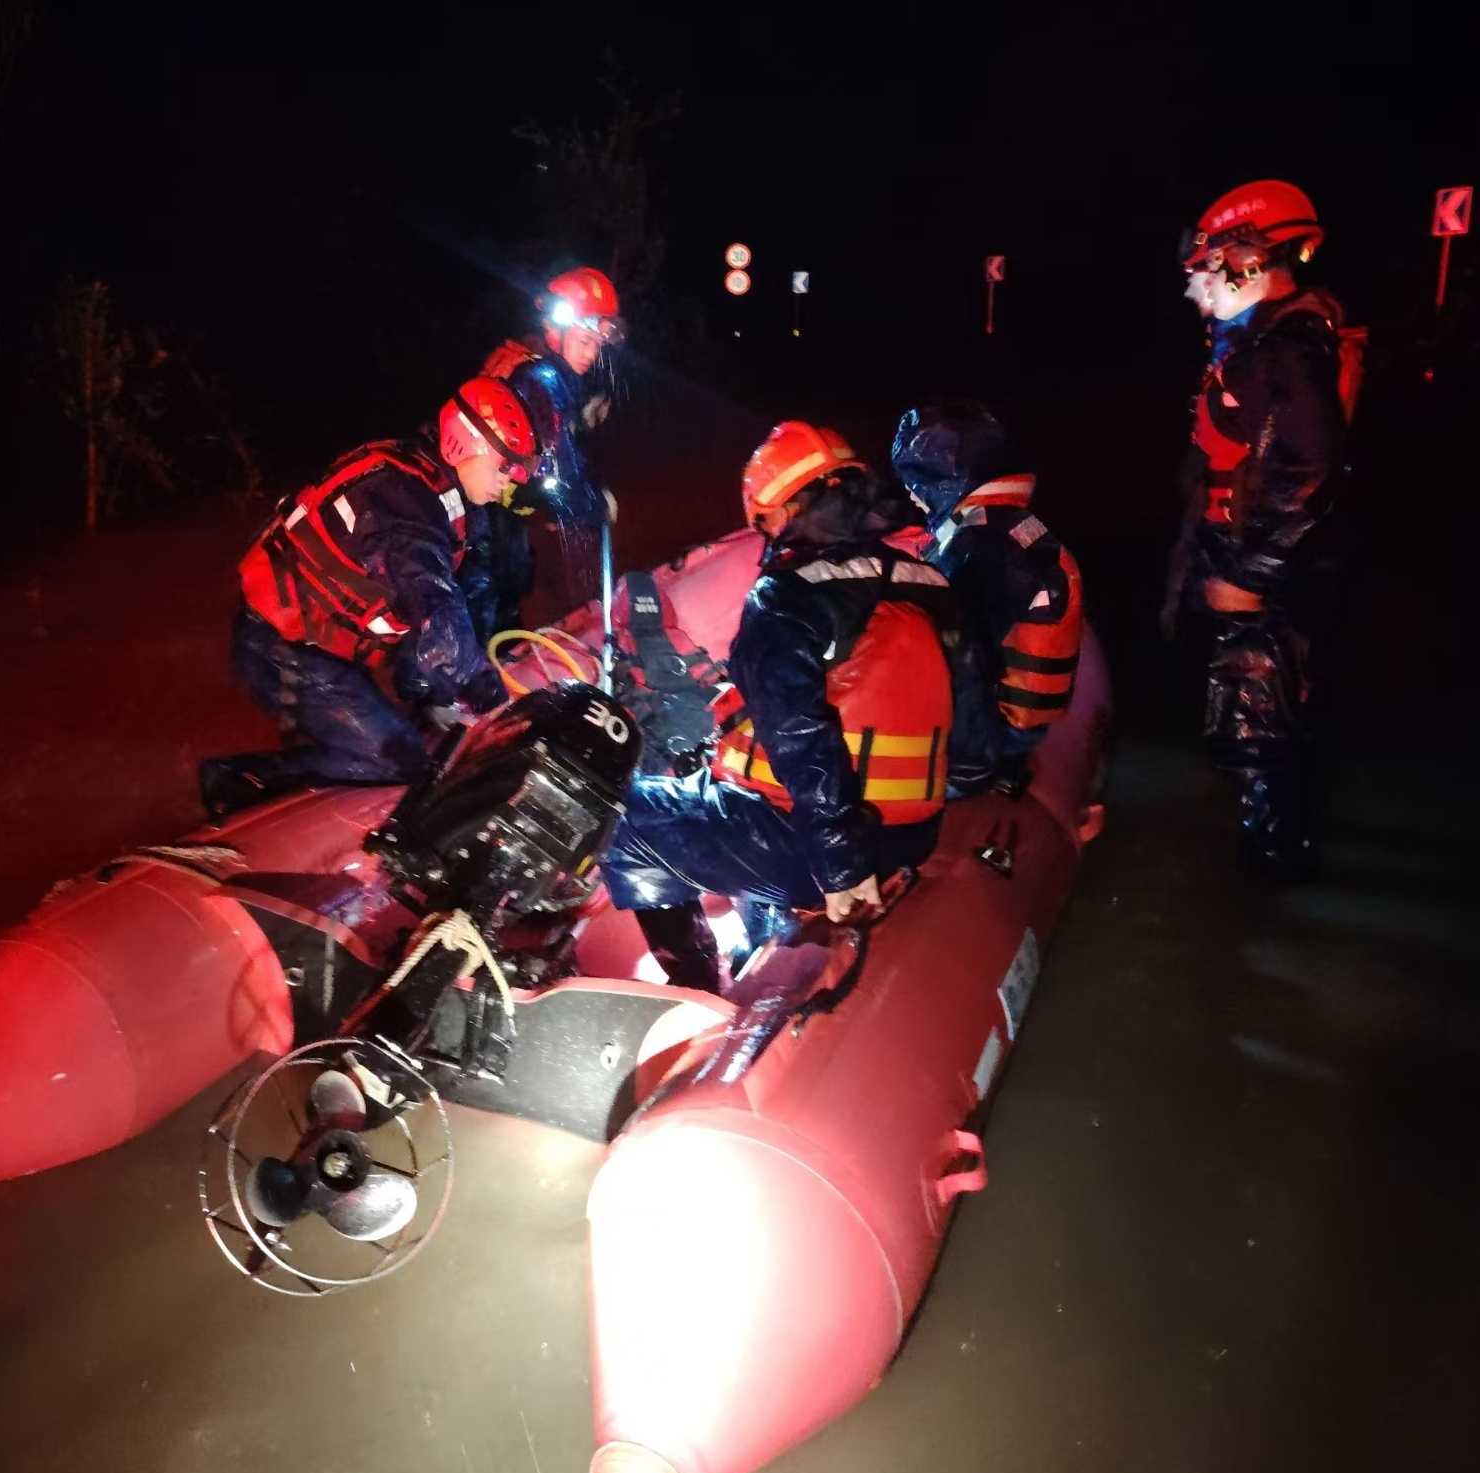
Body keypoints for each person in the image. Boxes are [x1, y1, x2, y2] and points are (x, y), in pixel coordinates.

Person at [599, 421, 955, 993]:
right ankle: (769, 925)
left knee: (619, 816)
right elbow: (968, 732)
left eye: (764, 522)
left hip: (826, 848)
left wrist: (841, 860)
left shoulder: (788, 593)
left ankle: (696, 984)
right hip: (913, 835)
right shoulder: (930, 582)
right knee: (725, 789)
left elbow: (797, 729)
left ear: (785, 509)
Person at [198, 376, 540, 819]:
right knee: (401, 762)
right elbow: (436, 606)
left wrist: (432, 685)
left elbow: (431, 607)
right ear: (464, 446)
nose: (508, 481)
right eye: (503, 467)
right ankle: (235, 784)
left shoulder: (435, 486)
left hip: (318, 644)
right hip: (279, 650)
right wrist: (494, 701)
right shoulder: (406, 504)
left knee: (418, 699)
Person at [1163, 180, 1352, 877]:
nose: (1194, 293)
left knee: (1266, 718)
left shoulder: (1287, 351)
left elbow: (1308, 471)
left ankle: (1275, 857)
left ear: (1247, 260)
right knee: (1268, 711)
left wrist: (1249, 578)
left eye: (1202, 273)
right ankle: (1273, 834)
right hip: (1269, 562)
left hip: (1273, 575)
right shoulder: (1268, 342)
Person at [890, 400, 1084, 798]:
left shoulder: (984, 544)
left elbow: (952, 653)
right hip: (1006, 734)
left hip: (987, 745)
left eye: (917, 482)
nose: (912, 497)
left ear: (949, 476)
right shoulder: (1009, 528)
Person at [464, 266, 624, 636]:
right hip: (485, 519)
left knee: (507, 589)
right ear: (556, 332)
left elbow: (539, 433)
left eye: (597, 346)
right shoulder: (543, 379)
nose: (592, 354)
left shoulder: (536, 368)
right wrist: (594, 506)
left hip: (496, 510)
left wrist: (579, 421)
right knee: (491, 613)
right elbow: (560, 470)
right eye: (584, 342)